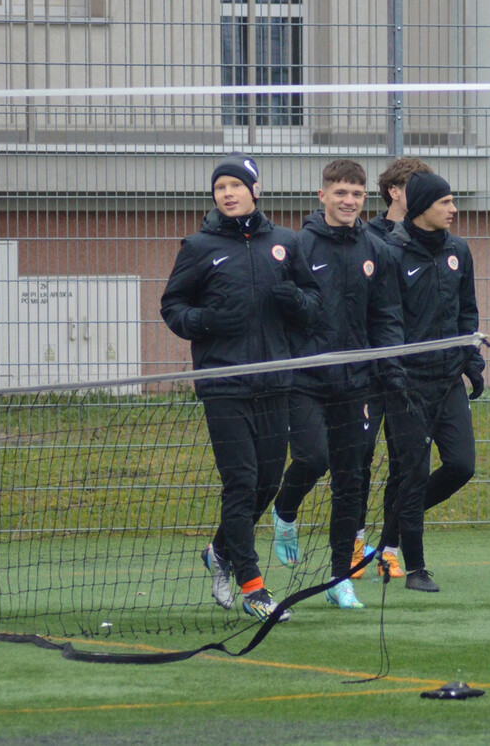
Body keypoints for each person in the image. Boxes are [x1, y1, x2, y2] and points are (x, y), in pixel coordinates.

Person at [161, 152, 321, 622]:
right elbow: (173, 307)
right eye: (219, 187)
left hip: (275, 383)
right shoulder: (198, 246)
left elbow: (313, 304)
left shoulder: (286, 243)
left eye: (235, 185)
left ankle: (218, 550)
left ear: (255, 190)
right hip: (223, 385)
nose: (227, 193)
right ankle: (253, 585)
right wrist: (205, 321)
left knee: (268, 482)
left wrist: (295, 299)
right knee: (242, 482)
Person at [269, 159, 405, 610]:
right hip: (305, 380)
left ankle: (338, 578)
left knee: (352, 481)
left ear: (365, 198)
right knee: (312, 458)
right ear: (322, 195)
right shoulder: (298, 245)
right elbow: (283, 310)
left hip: (358, 385)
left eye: (356, 194)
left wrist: (390, 368)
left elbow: (386, 317)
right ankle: (284, 511)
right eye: (340, 192)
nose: (349, 201)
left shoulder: (377, 250)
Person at [378, 170, 484, 592]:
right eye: (445, 202)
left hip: (448, 380)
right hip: (405, 384)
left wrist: (471, 363)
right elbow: (384, 320)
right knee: (413, 473)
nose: (454, 209)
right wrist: (393, 374)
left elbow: (467, 312)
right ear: (422, 206)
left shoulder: (459, 250)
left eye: (454, 201)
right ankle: (416, 568)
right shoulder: (390, 251)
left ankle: (394, 526)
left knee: (461, 465)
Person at [356, 156, 434, 579]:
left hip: (412, 374)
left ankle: (389, 547)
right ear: (394, 192)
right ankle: (353, 541)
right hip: (371, 370)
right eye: (416, 186)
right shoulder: (368, 237)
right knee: (360, 457)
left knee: (407, 463)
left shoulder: (432, 240)